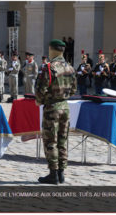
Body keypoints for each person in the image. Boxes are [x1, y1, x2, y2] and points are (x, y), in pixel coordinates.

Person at [35, 39, 77, 184]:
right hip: (65, 107)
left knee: (50, 141)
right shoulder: (70, 68)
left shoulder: (49, 67)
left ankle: (53, 173)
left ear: (52, 49)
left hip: (52, 107)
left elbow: (41, 89)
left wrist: (39, 100)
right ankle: (61, 172)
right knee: (62, 140)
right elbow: (73, 89)